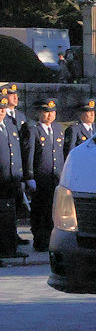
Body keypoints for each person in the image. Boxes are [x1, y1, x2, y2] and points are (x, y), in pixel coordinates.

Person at [23, 98, 65, 252]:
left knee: (54, 211)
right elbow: (29, 154)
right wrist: (29, 176)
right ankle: (40, 240)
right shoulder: (34, 130)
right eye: (46, 112)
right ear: (40, 113)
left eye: (52, 112)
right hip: (40, 178)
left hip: (56, 177)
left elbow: (61, 153)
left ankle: (53, 240)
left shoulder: (58, 129)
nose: (49, 115)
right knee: (40, 210)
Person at [0, 84, 22, 258]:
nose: (2, 112)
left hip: (10, 178)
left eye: (3, 109)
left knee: (10, 213)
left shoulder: (9, 124)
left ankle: (10, 246)